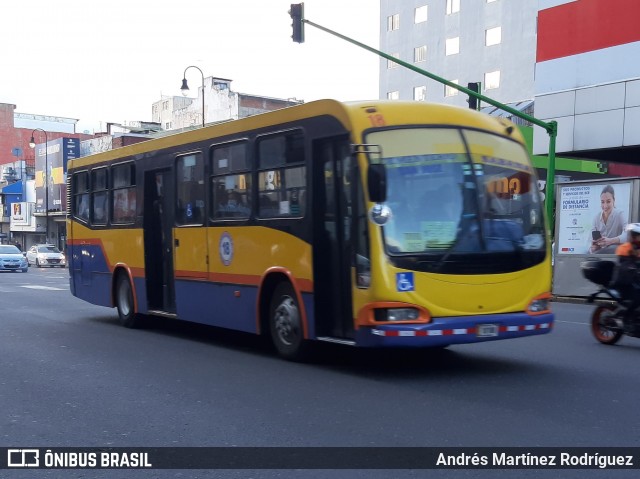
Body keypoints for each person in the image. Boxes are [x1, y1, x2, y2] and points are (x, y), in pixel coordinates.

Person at [613, 223, 640, 328]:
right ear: (632, 236)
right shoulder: (624, 248)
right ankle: (625, 318)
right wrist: (634, 267)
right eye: (638, 235)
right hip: (624, 281)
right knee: (638, 298)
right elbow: (625, 265)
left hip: (635, 280)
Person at [589, 184, 626, 254]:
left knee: (611, 248)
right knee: (586, 252)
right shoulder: (596, 218)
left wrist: (610, 241)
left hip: (615, 254)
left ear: (613, 200)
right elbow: (590, 241)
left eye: (608, 201)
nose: (605, 206)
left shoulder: (620, 214)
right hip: (600, 254)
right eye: (602, 202)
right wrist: (593, 247)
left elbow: (627, 234)